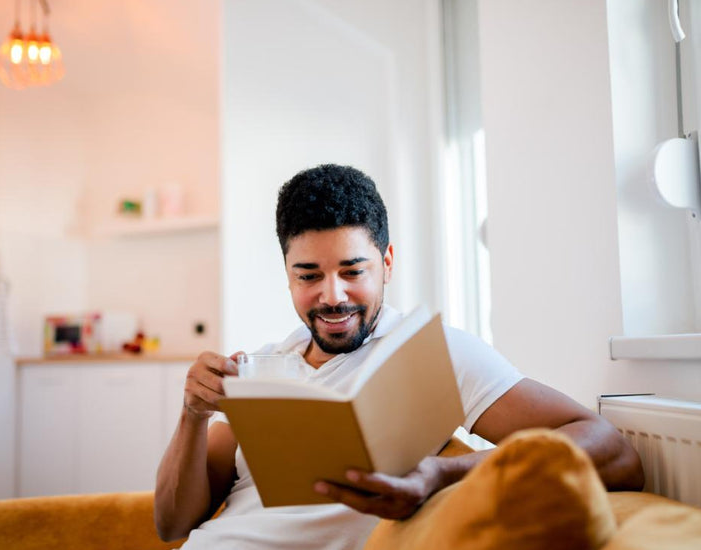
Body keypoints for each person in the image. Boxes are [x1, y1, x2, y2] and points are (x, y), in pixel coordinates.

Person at [154, 164, 644, 549]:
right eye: (308, 275)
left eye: (353, 270)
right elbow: (172, 524)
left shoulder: (432, 354)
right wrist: (192, 415)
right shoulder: (264, 365)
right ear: (287, 274)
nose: (332, 296)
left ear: (387, 262)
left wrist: (443, 474)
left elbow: (614, 453)